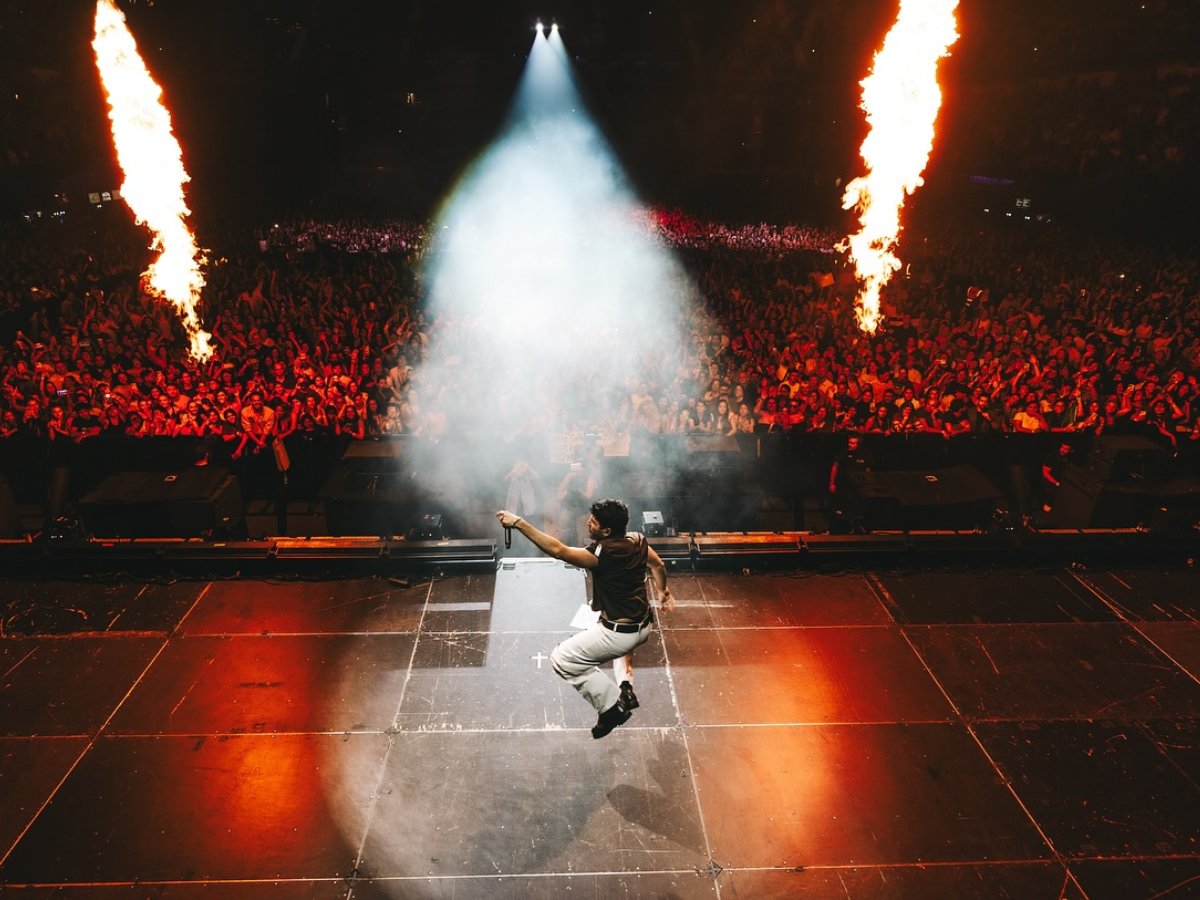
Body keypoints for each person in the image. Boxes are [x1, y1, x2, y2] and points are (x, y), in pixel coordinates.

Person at [496, 498, 673, 739]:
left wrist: (519, 523)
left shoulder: (602, 554)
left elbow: (559, 550)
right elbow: (659, 566)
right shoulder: (638, 541)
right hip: (643, 624)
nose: (588, 522)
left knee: (561, 659)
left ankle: (612, 707)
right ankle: (625, 686)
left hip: (619, 633)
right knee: (602, 627)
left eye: (594, 521)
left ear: (607, 531)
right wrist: (663, 592)